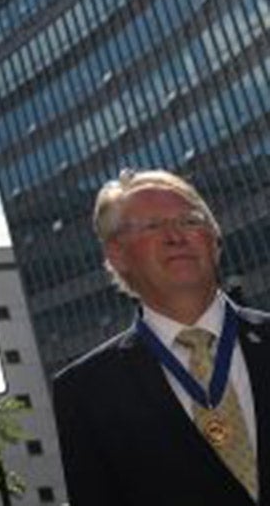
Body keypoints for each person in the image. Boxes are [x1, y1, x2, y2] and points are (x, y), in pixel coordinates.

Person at [53, 168, 266, 505]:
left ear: (214, 238)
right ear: (117, 255)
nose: (175, 236)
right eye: (152, 226)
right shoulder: (84, 393)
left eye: (190, 221)